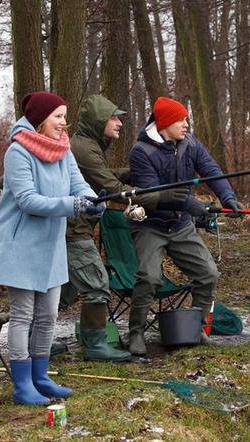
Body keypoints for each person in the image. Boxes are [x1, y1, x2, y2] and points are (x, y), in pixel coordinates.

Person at [0, 91, 105, 405]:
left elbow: (77, 182)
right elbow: (28, 200)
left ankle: (41, 376)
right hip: (20, 245)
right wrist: (73, 205)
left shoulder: (62, 149)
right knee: (23, 315)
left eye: (64, 116)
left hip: (51, 245)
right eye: (58, 116)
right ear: (41, 119)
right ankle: (22, 384)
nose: (63, 123)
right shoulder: (18, 152)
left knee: (48, 315)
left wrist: (92, 200)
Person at [60, 94, 190, 362]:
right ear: (98, 121)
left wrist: (131, 173)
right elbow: (112, 190)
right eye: (114, 118)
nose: (119, 123)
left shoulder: (90, 146)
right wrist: (162, 195)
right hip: (73, 230)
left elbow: (103, 177)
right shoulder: (84, 149)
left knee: (64, 290)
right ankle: (95, 346)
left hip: (73, 227)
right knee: (96, 283)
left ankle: (32, 341)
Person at [127, 96, 242, 356]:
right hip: (150, 225)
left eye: (186, 119)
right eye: (180, 119)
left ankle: (197, 329)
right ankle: (136, 332)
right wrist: (190, 205)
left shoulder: (190, 143)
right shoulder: (141, 152)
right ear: (165, 122)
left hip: (180, 226)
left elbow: (211, 169)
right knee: (149, 277)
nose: (186, 124)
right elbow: (153, 195)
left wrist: (228, 197)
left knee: (208, 274)